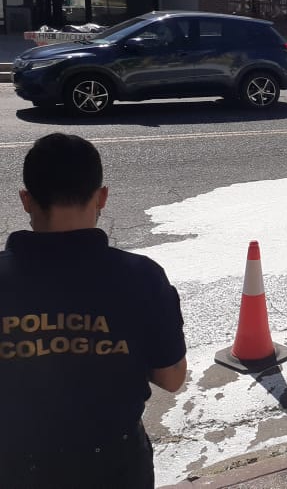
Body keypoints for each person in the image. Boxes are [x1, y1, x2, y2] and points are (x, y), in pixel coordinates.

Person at [0, 133, 187, 488]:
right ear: (102, 197)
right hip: (114, 466)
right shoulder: (141, 277)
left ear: (26, 200)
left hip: (14, 466)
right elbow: (172, 377)